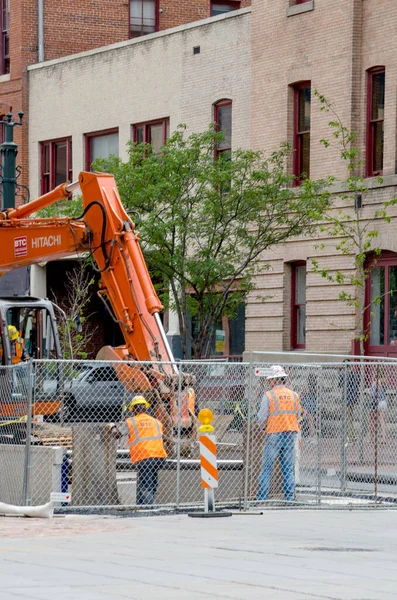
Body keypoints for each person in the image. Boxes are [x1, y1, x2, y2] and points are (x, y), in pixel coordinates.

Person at [256, 365, 300, 502]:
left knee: (267, 468)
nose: (269, 382)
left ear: (274, 380)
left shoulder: (268, 395)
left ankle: (262, 499)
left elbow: (262, 417)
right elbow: (297, 415)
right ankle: (289, 498)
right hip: (290, 433)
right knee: (287, 469)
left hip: (274, 433)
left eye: (270, 380)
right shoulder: (294, 395)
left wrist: (263, 427)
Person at [118, 395, 167, 505]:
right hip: (159, 457)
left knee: (146, 485)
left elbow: (117, 434)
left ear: (133, 409)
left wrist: (112, 427)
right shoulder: (156, 421)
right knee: (151, 483)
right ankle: (141, 506)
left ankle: (148, 509)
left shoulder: (131, 421)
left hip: (144, 457)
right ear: (145, 408)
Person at [339, 360, 359, 442]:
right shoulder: (355, 375)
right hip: (353, 398)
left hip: (346, 398)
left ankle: (348, 436)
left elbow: (340, 388)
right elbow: (357, 386)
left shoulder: (343, 375)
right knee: (351, 417)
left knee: (346, 417)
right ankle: (353, 435)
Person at [369, 377, 388, 444]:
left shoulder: (375, 384)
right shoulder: (384, 383)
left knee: (373, 420)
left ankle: (372, 438)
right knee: (382, 421)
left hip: (378, 402)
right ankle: (384, 438)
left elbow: (373, 395)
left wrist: (371, 389)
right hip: (384, 402)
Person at [300, 373, 317, 439]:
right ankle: (311, 434)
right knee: (311, 420)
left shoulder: (308, 387)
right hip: (310, 404)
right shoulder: (313, 387)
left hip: (308, 404)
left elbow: (303, 392)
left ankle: (312, 435)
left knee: (310, 421)